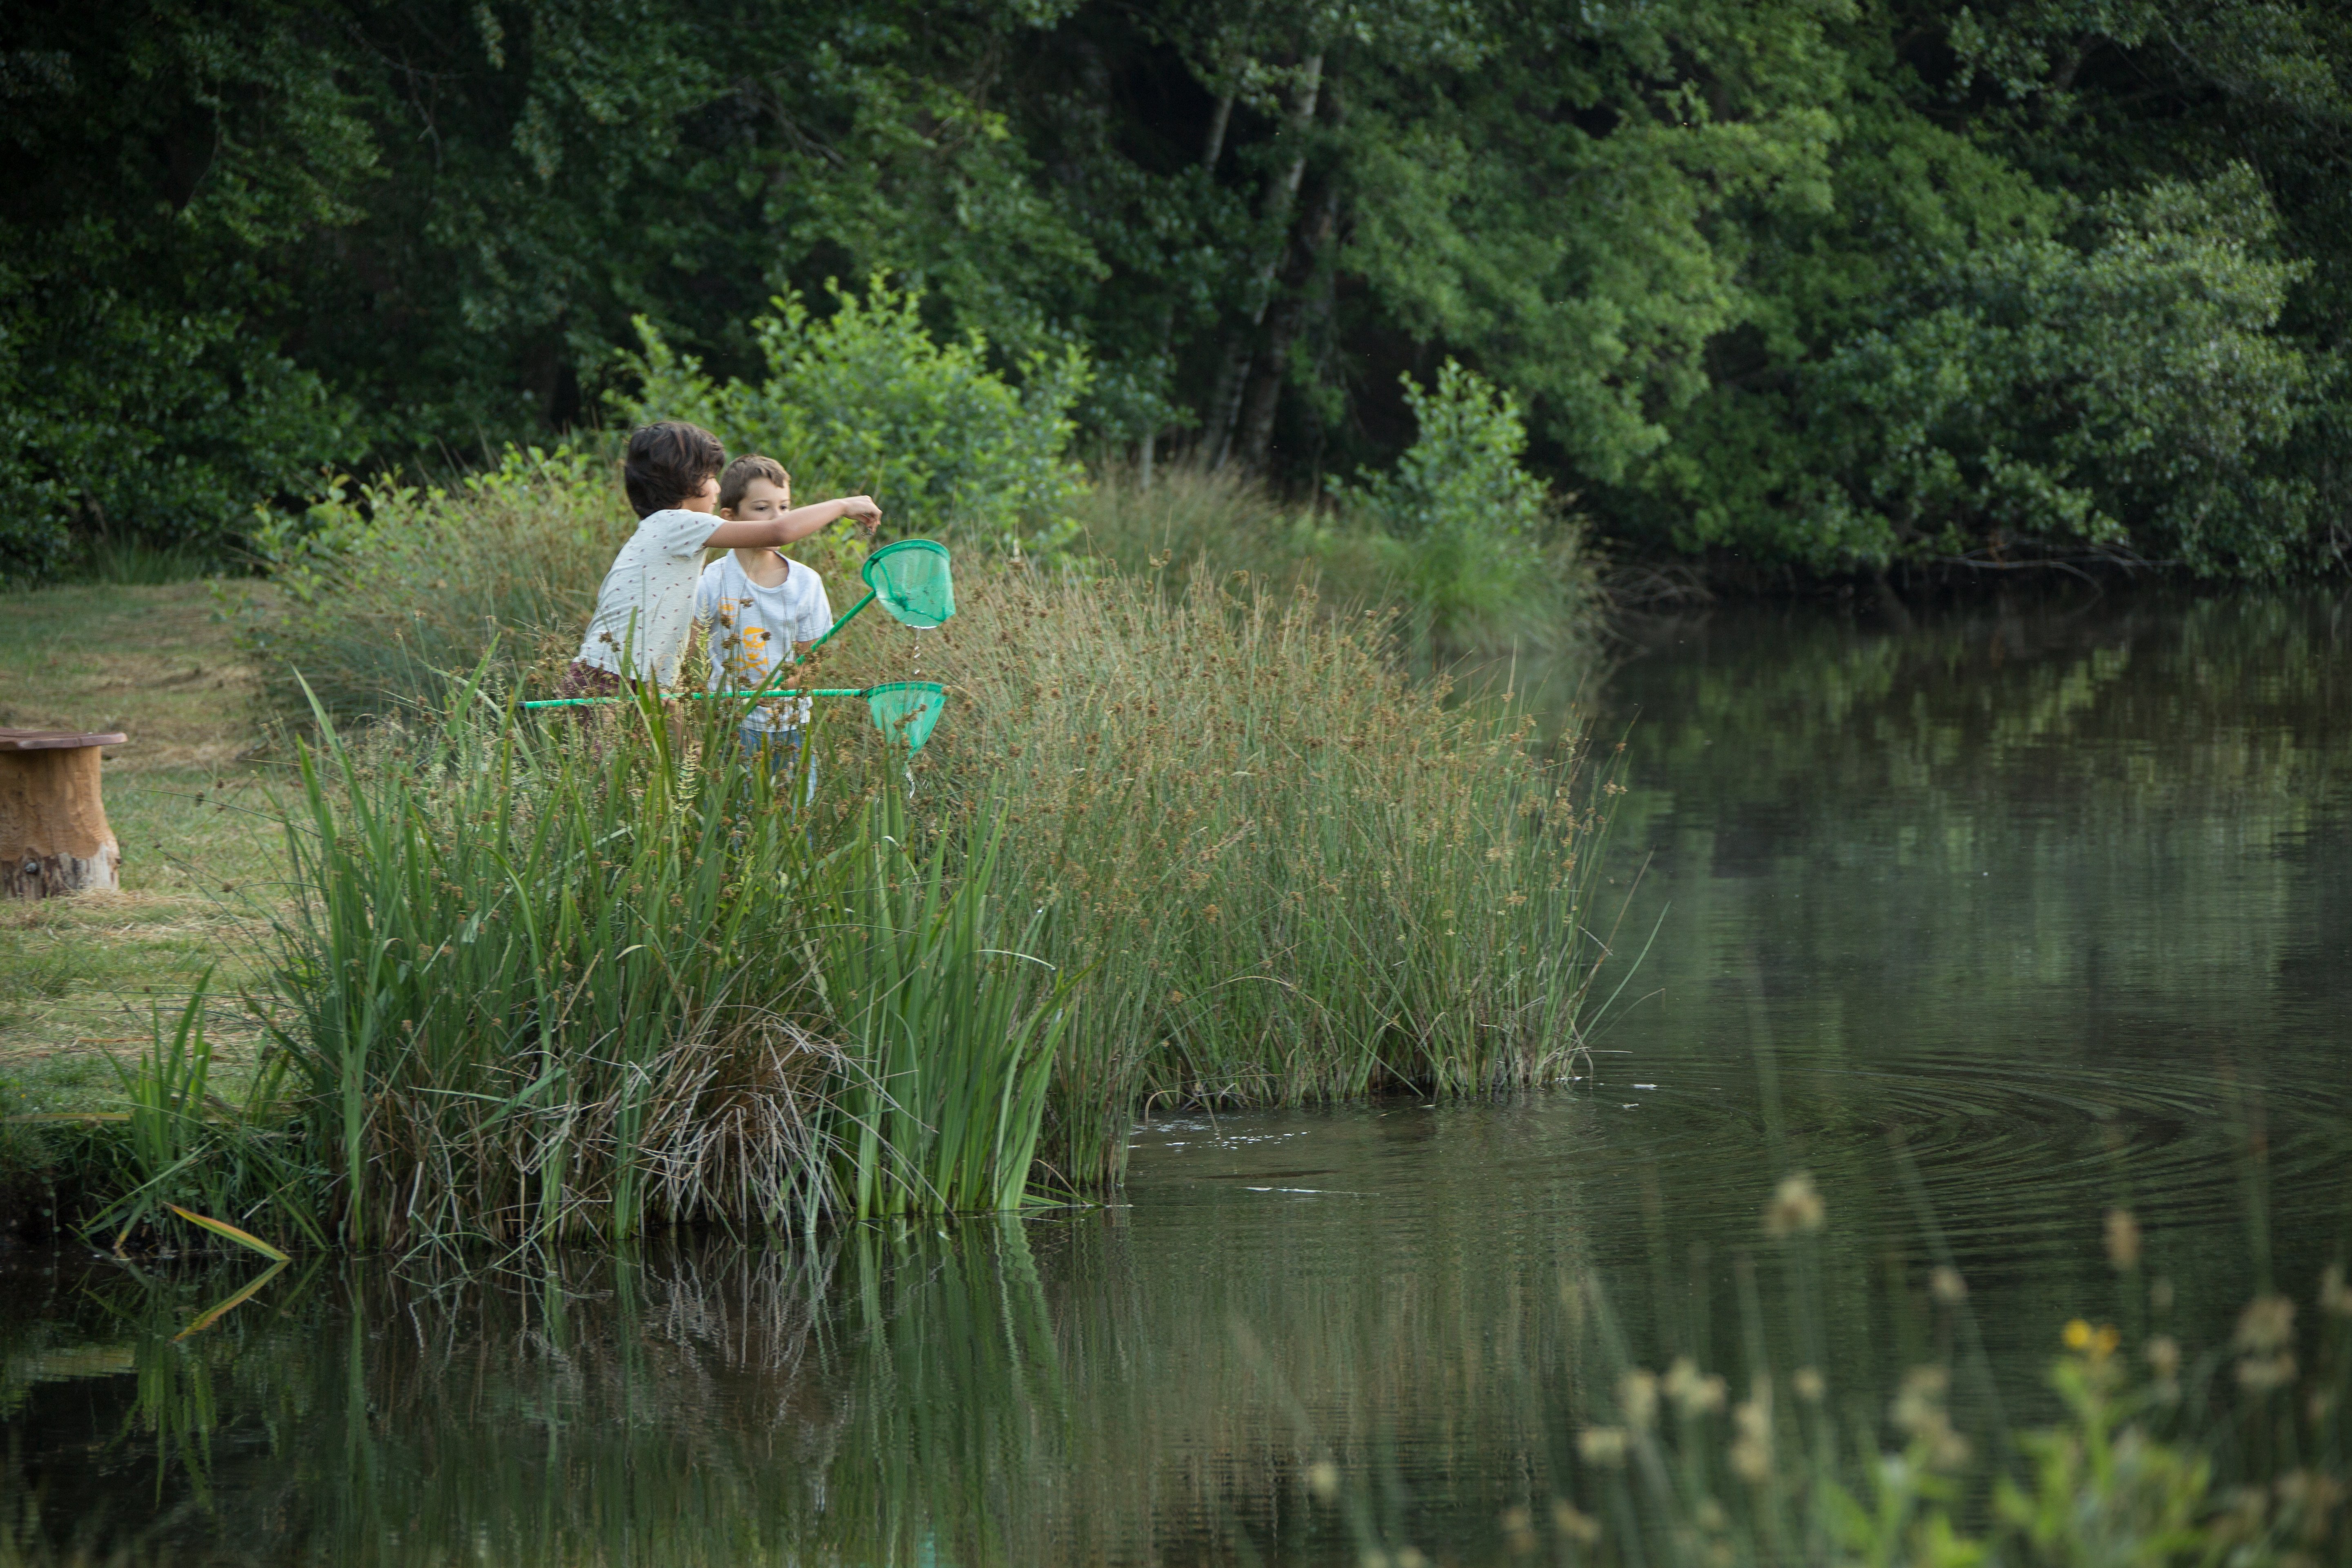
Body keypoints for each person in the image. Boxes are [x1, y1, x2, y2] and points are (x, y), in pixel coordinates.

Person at [559, 421, 877, 704]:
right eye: (710, 476)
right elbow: (782, 531)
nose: (719, 487)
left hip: (638, 683)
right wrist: (843, 504)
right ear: (686, 482)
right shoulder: (676, 524)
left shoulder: (664, 531)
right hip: (609, 681)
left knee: (670, 765)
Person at [695, 454, 835, 772]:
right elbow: (692, 658)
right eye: (762, 509)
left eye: (785, 508)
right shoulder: (710, 582)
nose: (777, 519)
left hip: (792, 728)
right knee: (735, 815)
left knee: (795, 815)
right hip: (729, 730)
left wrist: (789, 685)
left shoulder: (807, 583)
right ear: (730, 517)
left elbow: (811, 661)